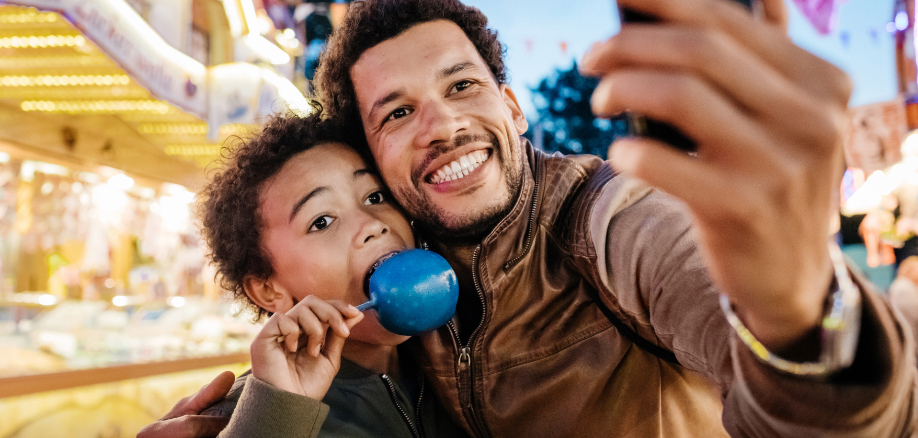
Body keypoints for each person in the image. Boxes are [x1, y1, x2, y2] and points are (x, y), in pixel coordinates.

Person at [142, 0, 918, 436]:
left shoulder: (607, 220)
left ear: (512, 109)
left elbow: (830, 414)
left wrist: (799, 318)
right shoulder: (397, 305)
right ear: (376, 158)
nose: (441, 125)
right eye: (399, 112)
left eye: (463, 87)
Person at [138, 108, 470, 438]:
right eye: (321, 221)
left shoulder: (460, 364)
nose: (372, 224)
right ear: (269, 290)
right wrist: (271, 420)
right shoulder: (244, 421)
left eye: (374, 196)